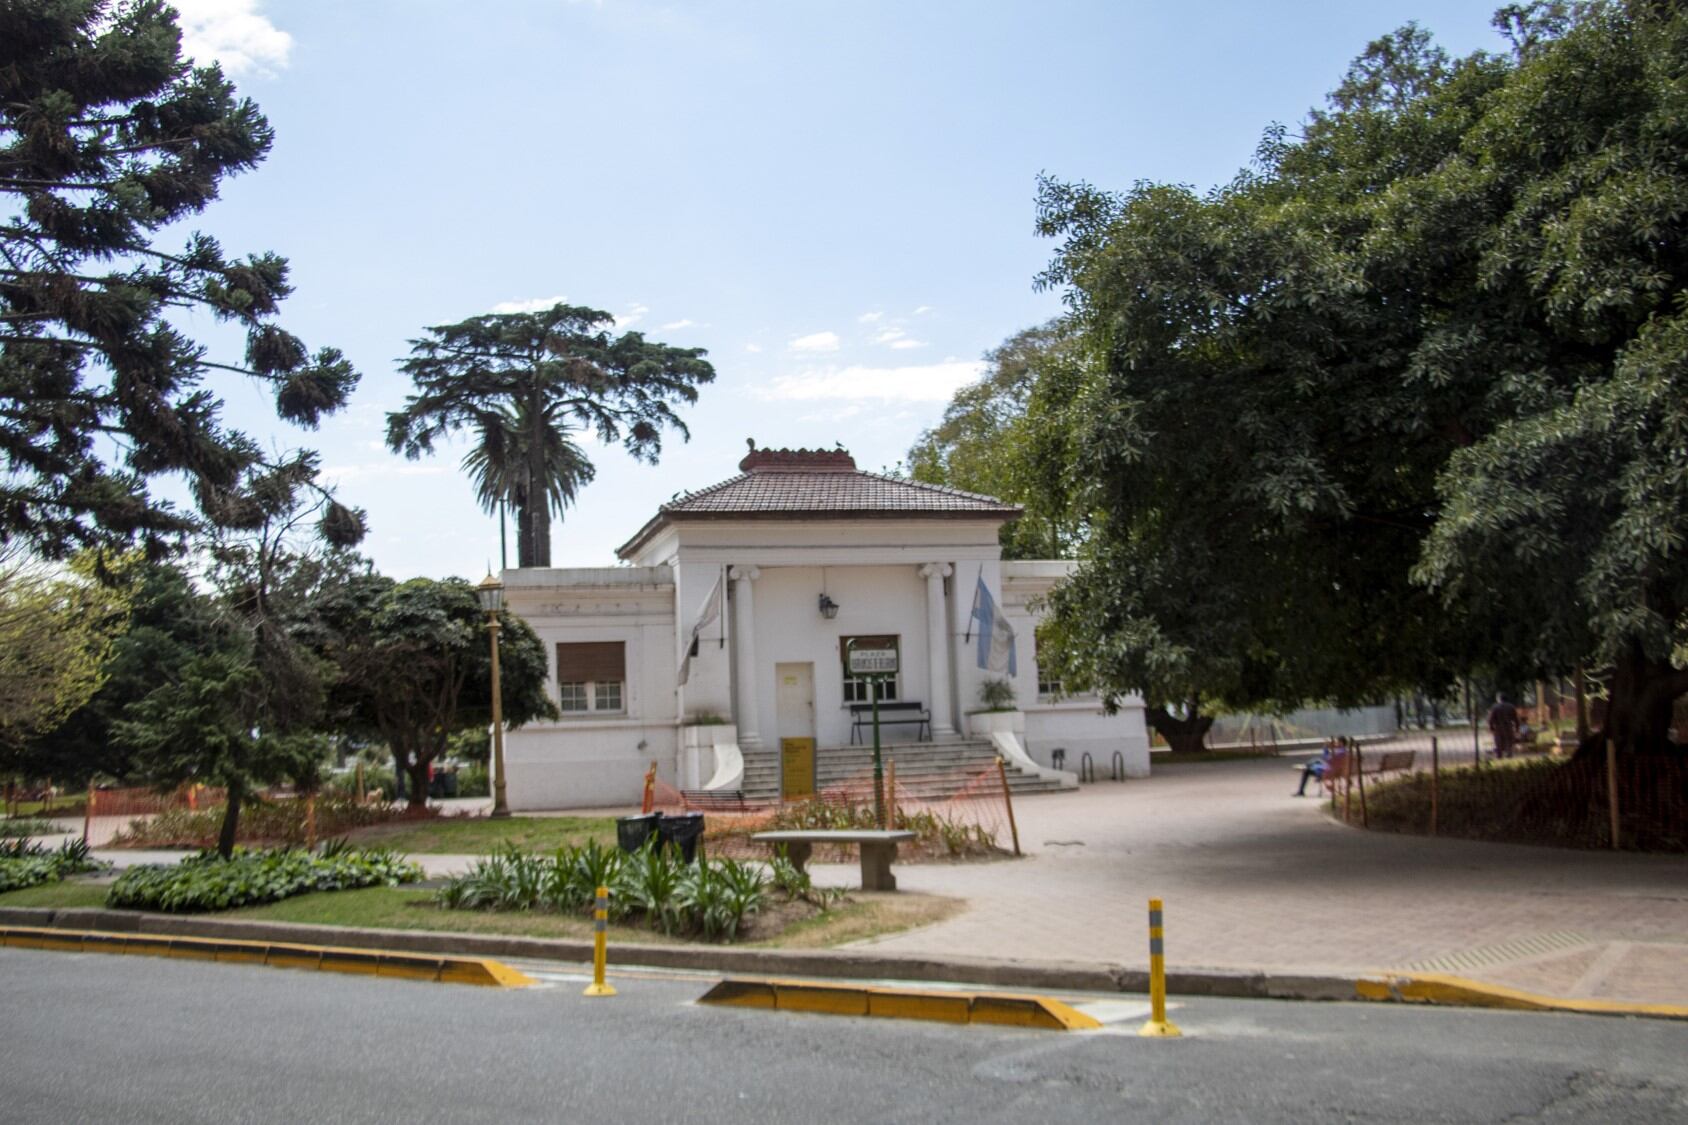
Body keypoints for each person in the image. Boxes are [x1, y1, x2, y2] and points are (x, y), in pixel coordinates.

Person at [1487, 694, 1519, 759]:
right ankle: (1509, 753)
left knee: (1498, 741)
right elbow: (1515, 718)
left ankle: (1499, 755)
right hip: (1508, 726)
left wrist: (1491, 727)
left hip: (1498, 727)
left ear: (1499, 699)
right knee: (1509, 740)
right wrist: (1517, 727)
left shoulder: (1495, 707)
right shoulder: (1511, 707)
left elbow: (1491, 718)